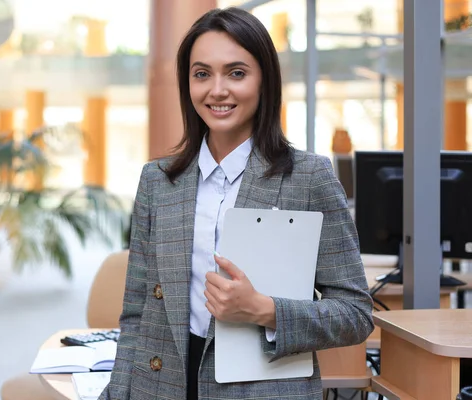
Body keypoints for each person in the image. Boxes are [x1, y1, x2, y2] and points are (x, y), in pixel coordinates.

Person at [100, 7, 374, 400]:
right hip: (162, 385)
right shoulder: (158, 181)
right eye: (201, 74)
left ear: (265, 81)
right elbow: (137, 314)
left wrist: (264, 310)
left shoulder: (308, 178)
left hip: (262, 390)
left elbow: (355, 315)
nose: (217, 90)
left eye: (236, 73)